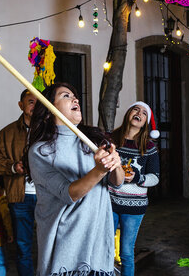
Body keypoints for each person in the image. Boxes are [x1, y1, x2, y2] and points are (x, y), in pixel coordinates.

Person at [27, 82, 124, 276]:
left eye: (74, 95)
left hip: (97, 238)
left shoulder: (95, 140)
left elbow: (117, 181)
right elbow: (68, 194)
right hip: (67, 242)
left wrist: (116, 164)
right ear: (48, 110)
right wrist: (100, 170)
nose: (75, 99)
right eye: (65, 96)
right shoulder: (40, 151)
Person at [108, 101, 160, 276]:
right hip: (109, 202)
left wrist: (136, 177)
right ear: (128, 114)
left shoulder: (149, 147)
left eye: (144, 113)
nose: (139, 113)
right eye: (135, 109)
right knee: (105, 249)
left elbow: (155, 178)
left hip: (134, 207)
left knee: (126, 253)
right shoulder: (112, 139)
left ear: (146, 122)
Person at [0, 89, 37, 275]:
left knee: (52, 244)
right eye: (31, 101)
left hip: (48, 196)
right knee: (23, 246)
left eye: (39, 102)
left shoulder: (51, 131)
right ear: (21, 105)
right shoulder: (6, 133)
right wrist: (13, 167)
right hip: (20, 196)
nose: (35, 106)